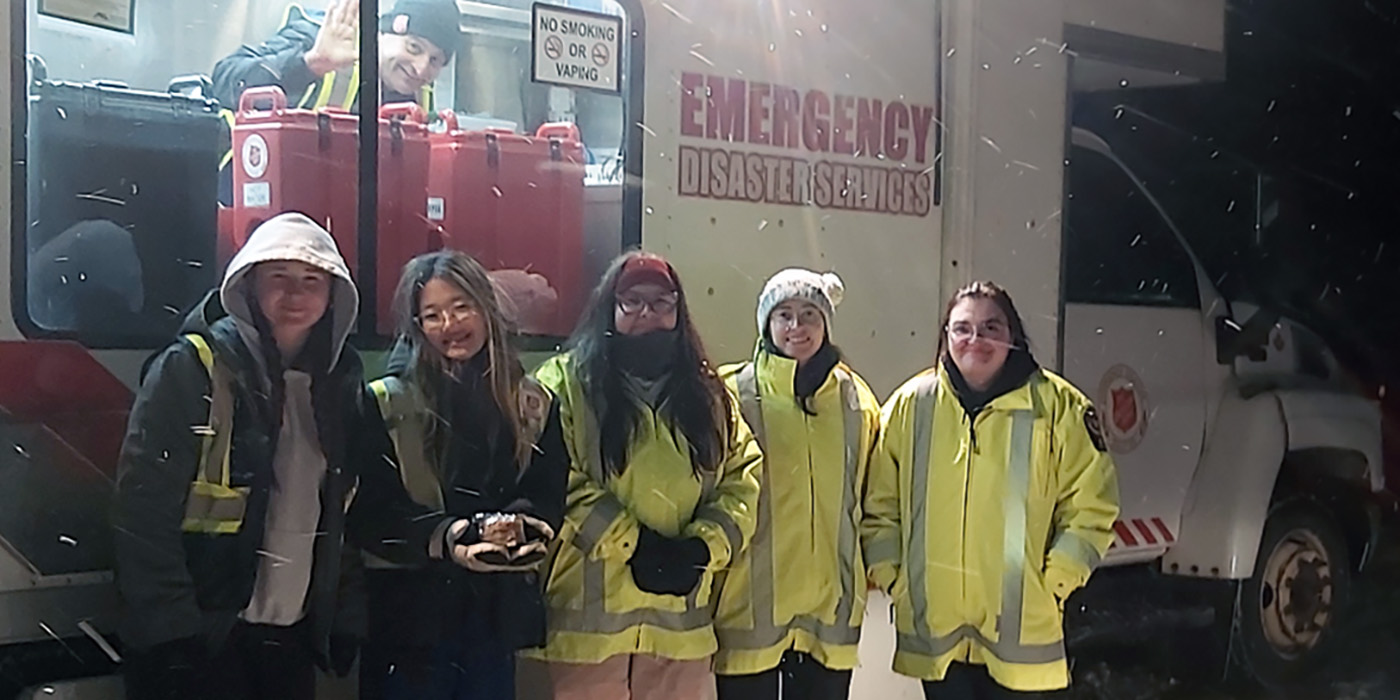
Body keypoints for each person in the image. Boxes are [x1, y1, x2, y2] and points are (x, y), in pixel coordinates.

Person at [113, 213, 477, 700]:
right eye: (277, 277)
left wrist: (343, 618)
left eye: (312, 280)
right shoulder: (191, 371)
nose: (295, 294)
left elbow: (343, 516)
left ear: (334, 296)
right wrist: (172, 637)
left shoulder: (340, 390)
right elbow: (142, 512)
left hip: (287, 640)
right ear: (247, 285)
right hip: (204, 638)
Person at [863, 280, 1120, 700]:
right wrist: (896, 578)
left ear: (1012, 336)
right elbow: (880, 502)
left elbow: (1092, 506)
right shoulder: (912, 405)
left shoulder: (1060, 408)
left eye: (990, 328)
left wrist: (1053, 582)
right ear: (946, 335)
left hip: (1020, 633)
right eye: (962, 328)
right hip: (938, 629)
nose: (975, 340)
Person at [528, 251, 763, 700]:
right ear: (609, 309)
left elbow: (744, 479)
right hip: (585, 635)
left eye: (661, 303)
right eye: (632, 301)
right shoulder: (562, 385)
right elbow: (555, 480)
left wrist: (702, 547)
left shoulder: (710, 396)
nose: (646, 314)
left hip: (681, 629)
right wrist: (634, 545)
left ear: (678, 312)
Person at [358, 250, 569, 700]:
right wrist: (449, 537)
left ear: (486, 309)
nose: (450, 325)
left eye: (461, 307)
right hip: (409, 624)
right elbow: (367, 514)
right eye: (432, 315)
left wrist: (524, 525)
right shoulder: (384, 403)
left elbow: (549, 490)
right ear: (415, 325)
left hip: (494, 618)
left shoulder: (533, 402)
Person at [712, 269, 882, 700]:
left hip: (829, 609)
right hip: (748, 605)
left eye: (809, 314)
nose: (796, 326)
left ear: (826, 324)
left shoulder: (856, 399)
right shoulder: (730, 393)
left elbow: (872, 497)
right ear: (766, 324)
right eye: (783, 314)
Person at [212, 0, 459, 114]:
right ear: (384, 32)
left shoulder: (421, 98)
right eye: (414, 47)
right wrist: (310, 64)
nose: (420, 69)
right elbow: (225, 79)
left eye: (435, 61)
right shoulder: (322, 39)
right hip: (272, 210)